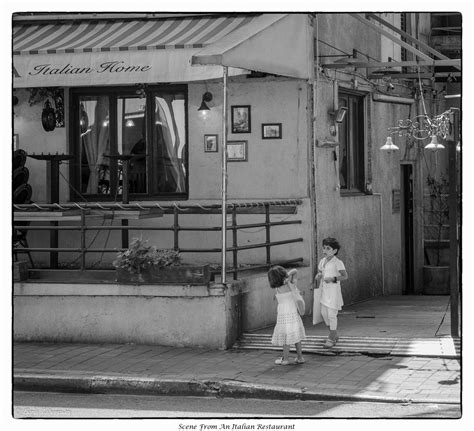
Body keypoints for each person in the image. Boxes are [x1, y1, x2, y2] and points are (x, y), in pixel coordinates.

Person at [314, 237, 348, 348]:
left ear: (334, 251)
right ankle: (334, 334)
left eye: (328, 248)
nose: (325, 250)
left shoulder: (338, 262)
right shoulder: (322, 261)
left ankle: (332, 337)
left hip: (333, 293)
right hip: (324, 292)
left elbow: (345, 276)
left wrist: (332, 279)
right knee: (324, 314)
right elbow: (320, 273)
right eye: (324, 248)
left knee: (331, 315)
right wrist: (318, 276)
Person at [268, 265, 306, 365]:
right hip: (293, 313)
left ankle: (285, 359)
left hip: (283, 315)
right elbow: (295, 270)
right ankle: (300, 357)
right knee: (296, 335)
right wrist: (286, 277)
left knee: (286, 337)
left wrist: (282, 279)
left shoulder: (277, 288)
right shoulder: (291, 284)